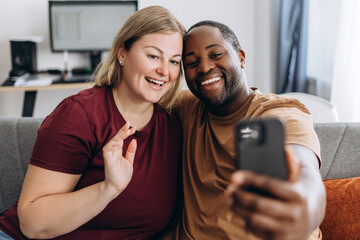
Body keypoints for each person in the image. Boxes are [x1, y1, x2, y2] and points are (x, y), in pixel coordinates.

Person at [0, 6, 185, 239]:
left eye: (174, 61)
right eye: (153, 56)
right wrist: (108, 188)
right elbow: (32, 224)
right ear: (122, 53)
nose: (164, 71)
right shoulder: (79, 115)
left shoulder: (173, 128)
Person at [172, 20, 326, 240]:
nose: (204, 68)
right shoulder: (188, 109)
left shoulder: (275, 113)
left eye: (215, 55)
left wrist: (304, 208)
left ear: (241, 57)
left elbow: (304, 171)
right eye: (191, 62)